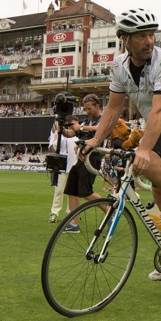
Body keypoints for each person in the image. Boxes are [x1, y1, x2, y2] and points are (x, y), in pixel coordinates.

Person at [82, 8, 161, 280]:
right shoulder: (118, 66)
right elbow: (113, 110)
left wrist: (144, 149)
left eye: (152, 35)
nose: (150, 41)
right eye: (142, 36)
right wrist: (96, 139)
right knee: (159, 193)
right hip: (160, 126)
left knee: (149, 165)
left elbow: (159, 111)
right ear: (124, 38)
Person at [60, 94, 104, 233]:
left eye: (89, 108)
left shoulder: (102, 119)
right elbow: (70, 134)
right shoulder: (86, 121)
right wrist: (61, 128)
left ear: (97, 106)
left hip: (93, 158)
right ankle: (73, 223)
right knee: (71, 189)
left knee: (86, 192)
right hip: (81, 158)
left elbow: (101, 129)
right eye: (85, 109)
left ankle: (110, 211)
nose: (87, 111)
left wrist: (81, 127)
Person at [47, 116, 79, 223]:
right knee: (59, 191)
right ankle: (54, 212)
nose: (75, 126)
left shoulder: (77, 136)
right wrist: (55, 137)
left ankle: (70, 212)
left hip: (74, 166)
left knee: (71, 192)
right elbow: (52, 149)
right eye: (73, 123)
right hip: (61, 166)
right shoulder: (61, 134)